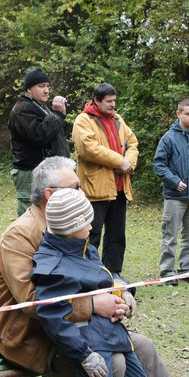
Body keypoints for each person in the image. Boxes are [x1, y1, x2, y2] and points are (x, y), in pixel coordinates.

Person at [0, 156, 187, 377]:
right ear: (50, 195)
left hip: (85, 329)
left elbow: (95, 273)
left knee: (143, 347)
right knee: (113, 363)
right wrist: (95, 304)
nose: (83, 192)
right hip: (32, 338)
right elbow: (33, 303)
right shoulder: (20, 235)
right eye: (75, 188)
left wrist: (120, 292)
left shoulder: (72, 225)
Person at [32, 188, 151, 377]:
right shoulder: (52, 267)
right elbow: (52, 316)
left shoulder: (84, 247)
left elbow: (102, 275)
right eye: (86, 222)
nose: (91, 226)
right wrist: (84, 355)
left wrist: (122, 290)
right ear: (71, 228)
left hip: (110, 333)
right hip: (88, 344)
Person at [72, 83, 138, 276]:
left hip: (119, 189)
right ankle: (87, 274)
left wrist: (129, 163)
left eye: (114, 101)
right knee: (91, 235)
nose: (113, 105)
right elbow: (89, 149)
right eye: (109, 101)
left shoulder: (118, 119)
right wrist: (119, 161)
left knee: (117, 235)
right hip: (95, 190)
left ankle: (113, 274)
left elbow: (133, 142)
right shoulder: (83, 121)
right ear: (97, 101)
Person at [153, 99, 189, 285]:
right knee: (170, 234)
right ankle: (168, 272)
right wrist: (174, 181)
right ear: (178, 114)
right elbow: (159, 164)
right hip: (174, 196)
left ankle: (187, 269)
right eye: (188, 114)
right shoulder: (168, 138)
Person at [8, 67, 70, 215]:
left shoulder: (40, 107)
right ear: (28, 89)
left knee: (47, 214)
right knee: (31, 215)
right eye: (41, 86)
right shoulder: (22, 109)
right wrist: (57, 115)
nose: (46, 90)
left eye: (48, 86)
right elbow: (39, 136)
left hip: (44, 170)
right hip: (30, 172)